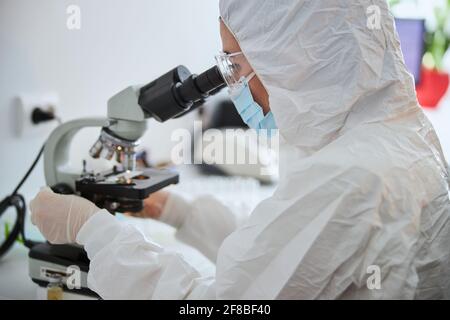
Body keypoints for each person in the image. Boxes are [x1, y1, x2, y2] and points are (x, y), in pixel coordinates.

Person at [30, 0, 450, 299]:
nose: (232, 84)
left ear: (293, 58)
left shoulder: (349, 177)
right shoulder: (394, 135)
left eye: (233, 64)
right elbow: (286, 257)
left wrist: (95, 231)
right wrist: (179, 212)